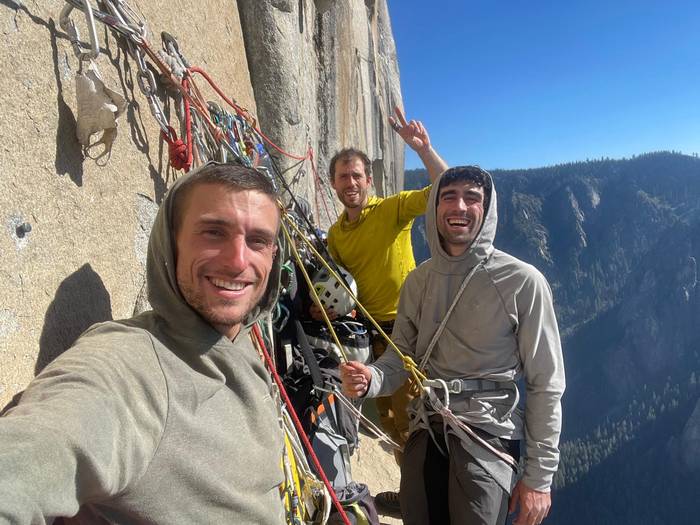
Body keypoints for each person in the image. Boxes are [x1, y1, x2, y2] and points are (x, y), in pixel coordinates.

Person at [0, 163, 286, 524]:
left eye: (258, 240)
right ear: (171, 241)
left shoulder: (236, 344)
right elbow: (28, 456)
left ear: (273, 257)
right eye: (214, 232)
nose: (238, 260)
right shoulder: (133, 366)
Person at [340, 166, 566, 525]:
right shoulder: (418, 282)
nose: (459, 206)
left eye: (472, 198)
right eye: (448, 197)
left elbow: (546, 383)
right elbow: (400, 358)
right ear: (434, 208)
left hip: (487, 436)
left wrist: (539, 478)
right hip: (428, 426)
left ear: (487, 208)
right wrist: (372, 378)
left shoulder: (522, 282)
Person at [313, 107, 448, 512]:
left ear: (369, 181)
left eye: (357, 176)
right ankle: (413, 495)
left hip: (407, 330)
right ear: (333, 184)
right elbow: (342, 284)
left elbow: (444, 189)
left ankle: (425, 502)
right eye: (343, 177)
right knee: (390, 419)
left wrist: (423, 150)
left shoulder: (392, 210)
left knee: (414, 417)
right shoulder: (336, 234)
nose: (350, 183)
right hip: (369, 334)